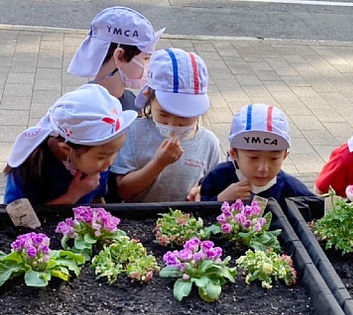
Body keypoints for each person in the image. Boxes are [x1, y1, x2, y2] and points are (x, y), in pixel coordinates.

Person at [67, 6, 164, 202]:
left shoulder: (131, 103)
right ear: (120, 56)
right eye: (145, 59)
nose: (147, 67)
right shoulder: (82, 112)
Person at [111, 48, 221, 202]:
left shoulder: (209, 143)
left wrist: (200, 191)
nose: (174, 124)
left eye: (185, 116)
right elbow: (122, 190)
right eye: (164, 114)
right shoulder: (131, 132)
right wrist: (158, 163)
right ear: (148, 97)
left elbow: (209, 185)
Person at [3, 84, 137, 205]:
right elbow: (14, 217)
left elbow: (98, 199)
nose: (109, 163)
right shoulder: (31, 167)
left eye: (116, 151)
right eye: (102, 156)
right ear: (66, 149)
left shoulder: (98, 162)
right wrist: (72, 196)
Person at [200, 103, 315, 205]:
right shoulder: (218, 177)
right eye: (253, 158)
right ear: (234, 153)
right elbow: (198, 211)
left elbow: (319, 206)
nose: (263, 168)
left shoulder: (290, 188)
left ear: (285, 156)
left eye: (274, 158)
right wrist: (220, 200)